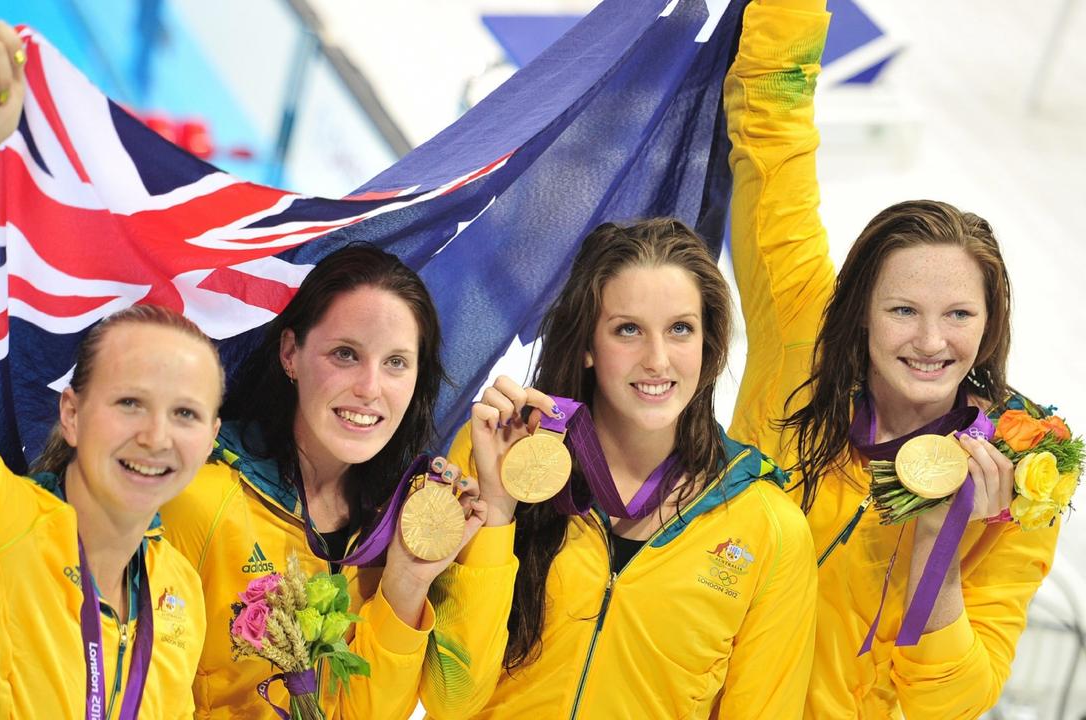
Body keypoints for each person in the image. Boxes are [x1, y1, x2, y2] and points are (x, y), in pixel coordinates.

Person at [0, 21, 219, 717]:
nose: (156, 435)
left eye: (185, 414)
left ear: (210, 439)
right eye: (128, 403)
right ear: (72, 412)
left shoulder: (178, 599)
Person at [725, 1, 1063, 717]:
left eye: (960, 315)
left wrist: (938, 558)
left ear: (992, 323)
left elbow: (958, 703)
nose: (932, 341)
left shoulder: (1020, 473)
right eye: (903, 310)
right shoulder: (802, 342)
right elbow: (771, 139)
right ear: (860, 312)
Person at [420, 216, 818, 719]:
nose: (657, 359)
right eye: (628, 329)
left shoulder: (768, 528)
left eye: (680, 329)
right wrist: (499, 510)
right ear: (587, 345)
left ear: (707, 342)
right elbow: (448, 700)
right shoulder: (495, 456)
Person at [161, 244, 507, 718]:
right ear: (290, 354)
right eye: (346, 354)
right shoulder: (200, 499)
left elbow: (457, 701)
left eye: (396, 362)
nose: (370, 388)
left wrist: (407, 580)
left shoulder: (401, 520)